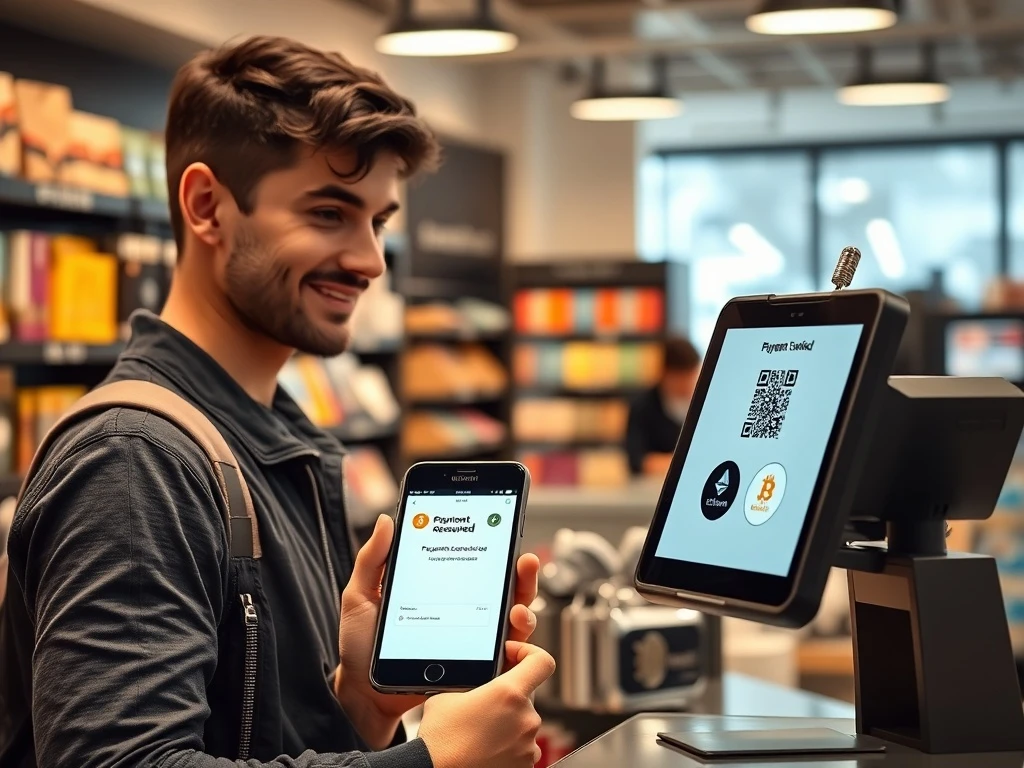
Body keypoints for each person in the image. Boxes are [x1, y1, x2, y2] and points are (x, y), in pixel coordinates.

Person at [0, 36, 554, 768]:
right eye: (330, 213)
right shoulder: (134, 461)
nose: (370, 261)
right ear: (206, 207)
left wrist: (359, 703)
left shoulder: (268, 434)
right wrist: (430, 764)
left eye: (378, 221)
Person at [624, 336, 701, 477]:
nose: (688, 383)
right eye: (681, 377)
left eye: (692, 375)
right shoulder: (642, 406)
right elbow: (636, 461)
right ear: (665, 373)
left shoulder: (703, 403)